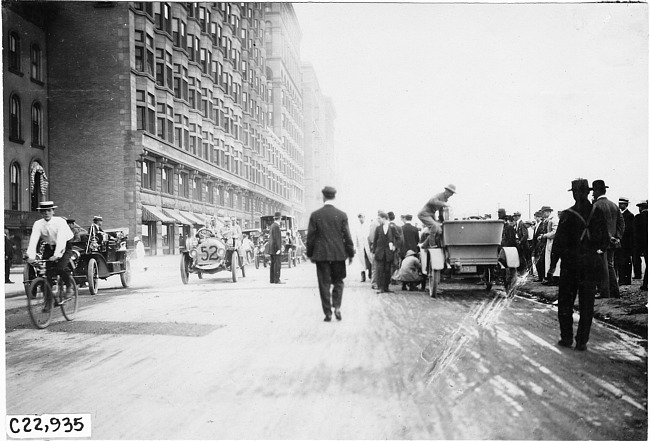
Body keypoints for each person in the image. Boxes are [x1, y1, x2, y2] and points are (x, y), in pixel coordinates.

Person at [553, 179, 609, 351]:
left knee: (565, 303)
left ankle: (567, 338)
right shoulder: (597, 212)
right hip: (590, 265)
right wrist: (595, 250)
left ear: (574, 193)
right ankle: (582, 341)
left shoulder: (567, 214)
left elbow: (558, 244)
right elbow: (605, 240)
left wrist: (552, 265)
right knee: (587, 305)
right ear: (587, 192)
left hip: (570, 266)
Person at [306, 186, 355, 322]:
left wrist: (310, 254)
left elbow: (310, 237)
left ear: (323, 197)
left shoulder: (315, 215)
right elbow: (347, 236)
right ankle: (337, 306)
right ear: (334, 197)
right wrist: (350, 253)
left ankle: (327, 312)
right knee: (338, 281)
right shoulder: (342, 215)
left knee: (324, 284)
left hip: (321, 255)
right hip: (339, 255)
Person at [26, 201, 75, 301]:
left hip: (65, 245)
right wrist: (30, 255)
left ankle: (69, 286)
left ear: (53, 211)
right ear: (41, 213)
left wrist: (57, 255)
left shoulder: (60, 222)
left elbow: (61, 240)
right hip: (50, 246)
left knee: (60, 268)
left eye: (49, 210)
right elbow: (33, 239)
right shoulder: (38, 224)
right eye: (44, 211)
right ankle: (50, 302)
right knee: (46, 275)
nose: (46, 213)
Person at [592, 179, 624, 298]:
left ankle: (604, 292)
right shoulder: (614, 205)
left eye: (593, 191)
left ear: (596, 191)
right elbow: (621, 223)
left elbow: (597, 227)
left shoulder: (595, 206)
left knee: (603, 267)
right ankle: (614, 292)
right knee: (609, 266)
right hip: (613, 242)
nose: (592, 194)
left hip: (601, 243)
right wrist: (617, 237)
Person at [371, 211, 400, 293]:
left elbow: (399, 238)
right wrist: (374, 252)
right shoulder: (378, 228)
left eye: (379, 218)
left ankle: (386, 287)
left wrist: (395, 246)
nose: (378, 220)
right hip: (379, 253)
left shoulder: (392, 228)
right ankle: (380, 288)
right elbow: (375, 240)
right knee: (379, 270)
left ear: (384, 218)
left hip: (388, 253)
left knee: (387, 270)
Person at [616, 197, 635, 286]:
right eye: (619, 203)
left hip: (626, 242)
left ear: (626, 205)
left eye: (622, 204)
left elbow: (629, 229)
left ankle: (626, 279)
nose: (620, 205)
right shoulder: (619, 214)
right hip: (621, 241)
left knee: (626, 260)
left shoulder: (630, 215)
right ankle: (622, 279)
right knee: (620, 260)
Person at [353, 214, 371, 282]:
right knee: (361, 262)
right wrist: (355, 247)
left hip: (367, 246)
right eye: (359, 217)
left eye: (362, 217)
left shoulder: (368, 225)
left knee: (369, 259)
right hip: (360, 246)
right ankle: (363, 276)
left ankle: (370, 273)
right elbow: (355, 237)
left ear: (364, 217)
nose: (361, 219)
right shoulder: (357, 226)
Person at [634, 200, 648, 291]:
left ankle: (645, 284)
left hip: (643, 245)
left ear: (641, 207)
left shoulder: (638, 217)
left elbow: (635, 234)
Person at [269, 212, 283, 284]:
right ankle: (277, 280)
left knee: (272, 264)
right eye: (281, 218)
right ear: (279, 218)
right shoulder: (276, 226)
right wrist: (278, 249)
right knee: (277, 264)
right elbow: (277, 239)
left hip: (271, 248)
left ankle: (272, 280)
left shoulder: (272, 226)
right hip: (275, 249)